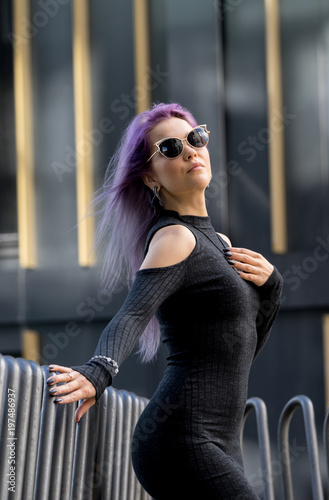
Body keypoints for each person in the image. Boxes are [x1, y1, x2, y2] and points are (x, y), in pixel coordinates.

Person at [47, 102, 283, 499]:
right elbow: (133, 313)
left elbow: (242, 348)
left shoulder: (220, 245)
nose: (191, 150)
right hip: (181, 438)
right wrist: (98, 372)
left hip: (220, 439)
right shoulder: (175, 238)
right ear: (150, 176)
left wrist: (272, 288)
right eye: (171, 148)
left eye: (196, 138)